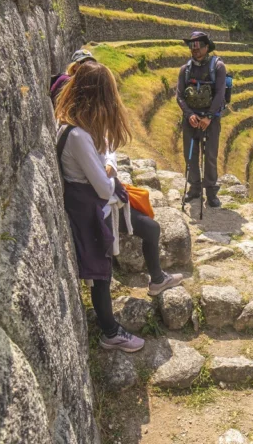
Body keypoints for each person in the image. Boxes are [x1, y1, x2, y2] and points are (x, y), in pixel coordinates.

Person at [55, 60, 183, 352]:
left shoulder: (74, 126)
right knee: (101, 272)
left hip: (96, 202)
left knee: (150, 228)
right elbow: (102, 185)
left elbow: (106, 153)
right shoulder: (77, 135)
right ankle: (110, 332)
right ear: (98, 98)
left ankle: (157, 279)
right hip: (90, 208)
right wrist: (110, 175)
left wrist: (108, 168)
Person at [177, 31, 227, 208]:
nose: (195, 49)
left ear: (207, 47)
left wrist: (209, 117)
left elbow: (220, 93)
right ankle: (195, 188)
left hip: (210, 120)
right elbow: (180, 96)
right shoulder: (185, 70)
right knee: (190, 155)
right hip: (191, 119)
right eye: (192, 45)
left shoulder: (218, 67)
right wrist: (189, 114)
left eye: (198, 45)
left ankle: (211, 192)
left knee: (210, 155)